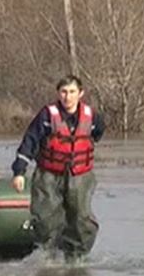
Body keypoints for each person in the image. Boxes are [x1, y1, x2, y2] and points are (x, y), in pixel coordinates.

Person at [10, 75, 105, 260]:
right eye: (63, 92)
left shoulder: (92, 116)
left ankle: (77, 256)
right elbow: (30, 141)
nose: (67, 97)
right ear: (58, 93)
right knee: (46, 218)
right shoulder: (46, 115)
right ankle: (49, 255)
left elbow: (98, 132)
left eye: (72, 92)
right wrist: (19, 172)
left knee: (81, 218)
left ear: (80, 93)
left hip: (80, 175)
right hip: (49, 174)